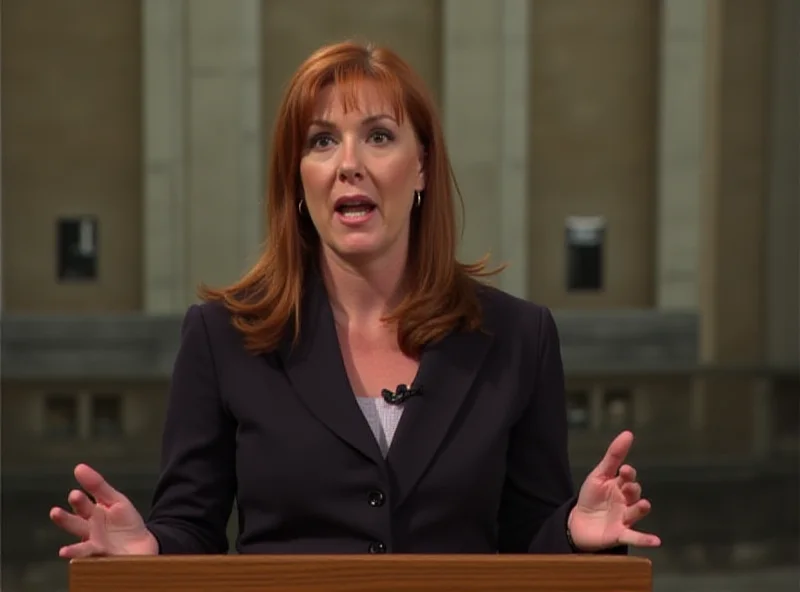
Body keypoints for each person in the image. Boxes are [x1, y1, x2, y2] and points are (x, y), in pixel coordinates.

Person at [50, 40, 661, 557]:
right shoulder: (222, 338)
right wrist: (151, 549)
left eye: (378, 136)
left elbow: (526, 534)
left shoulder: (518, 338)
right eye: (321, 141)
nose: (348, 164)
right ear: (297, 176)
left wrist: (576, 534)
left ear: (421, 166)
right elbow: (193, 529)